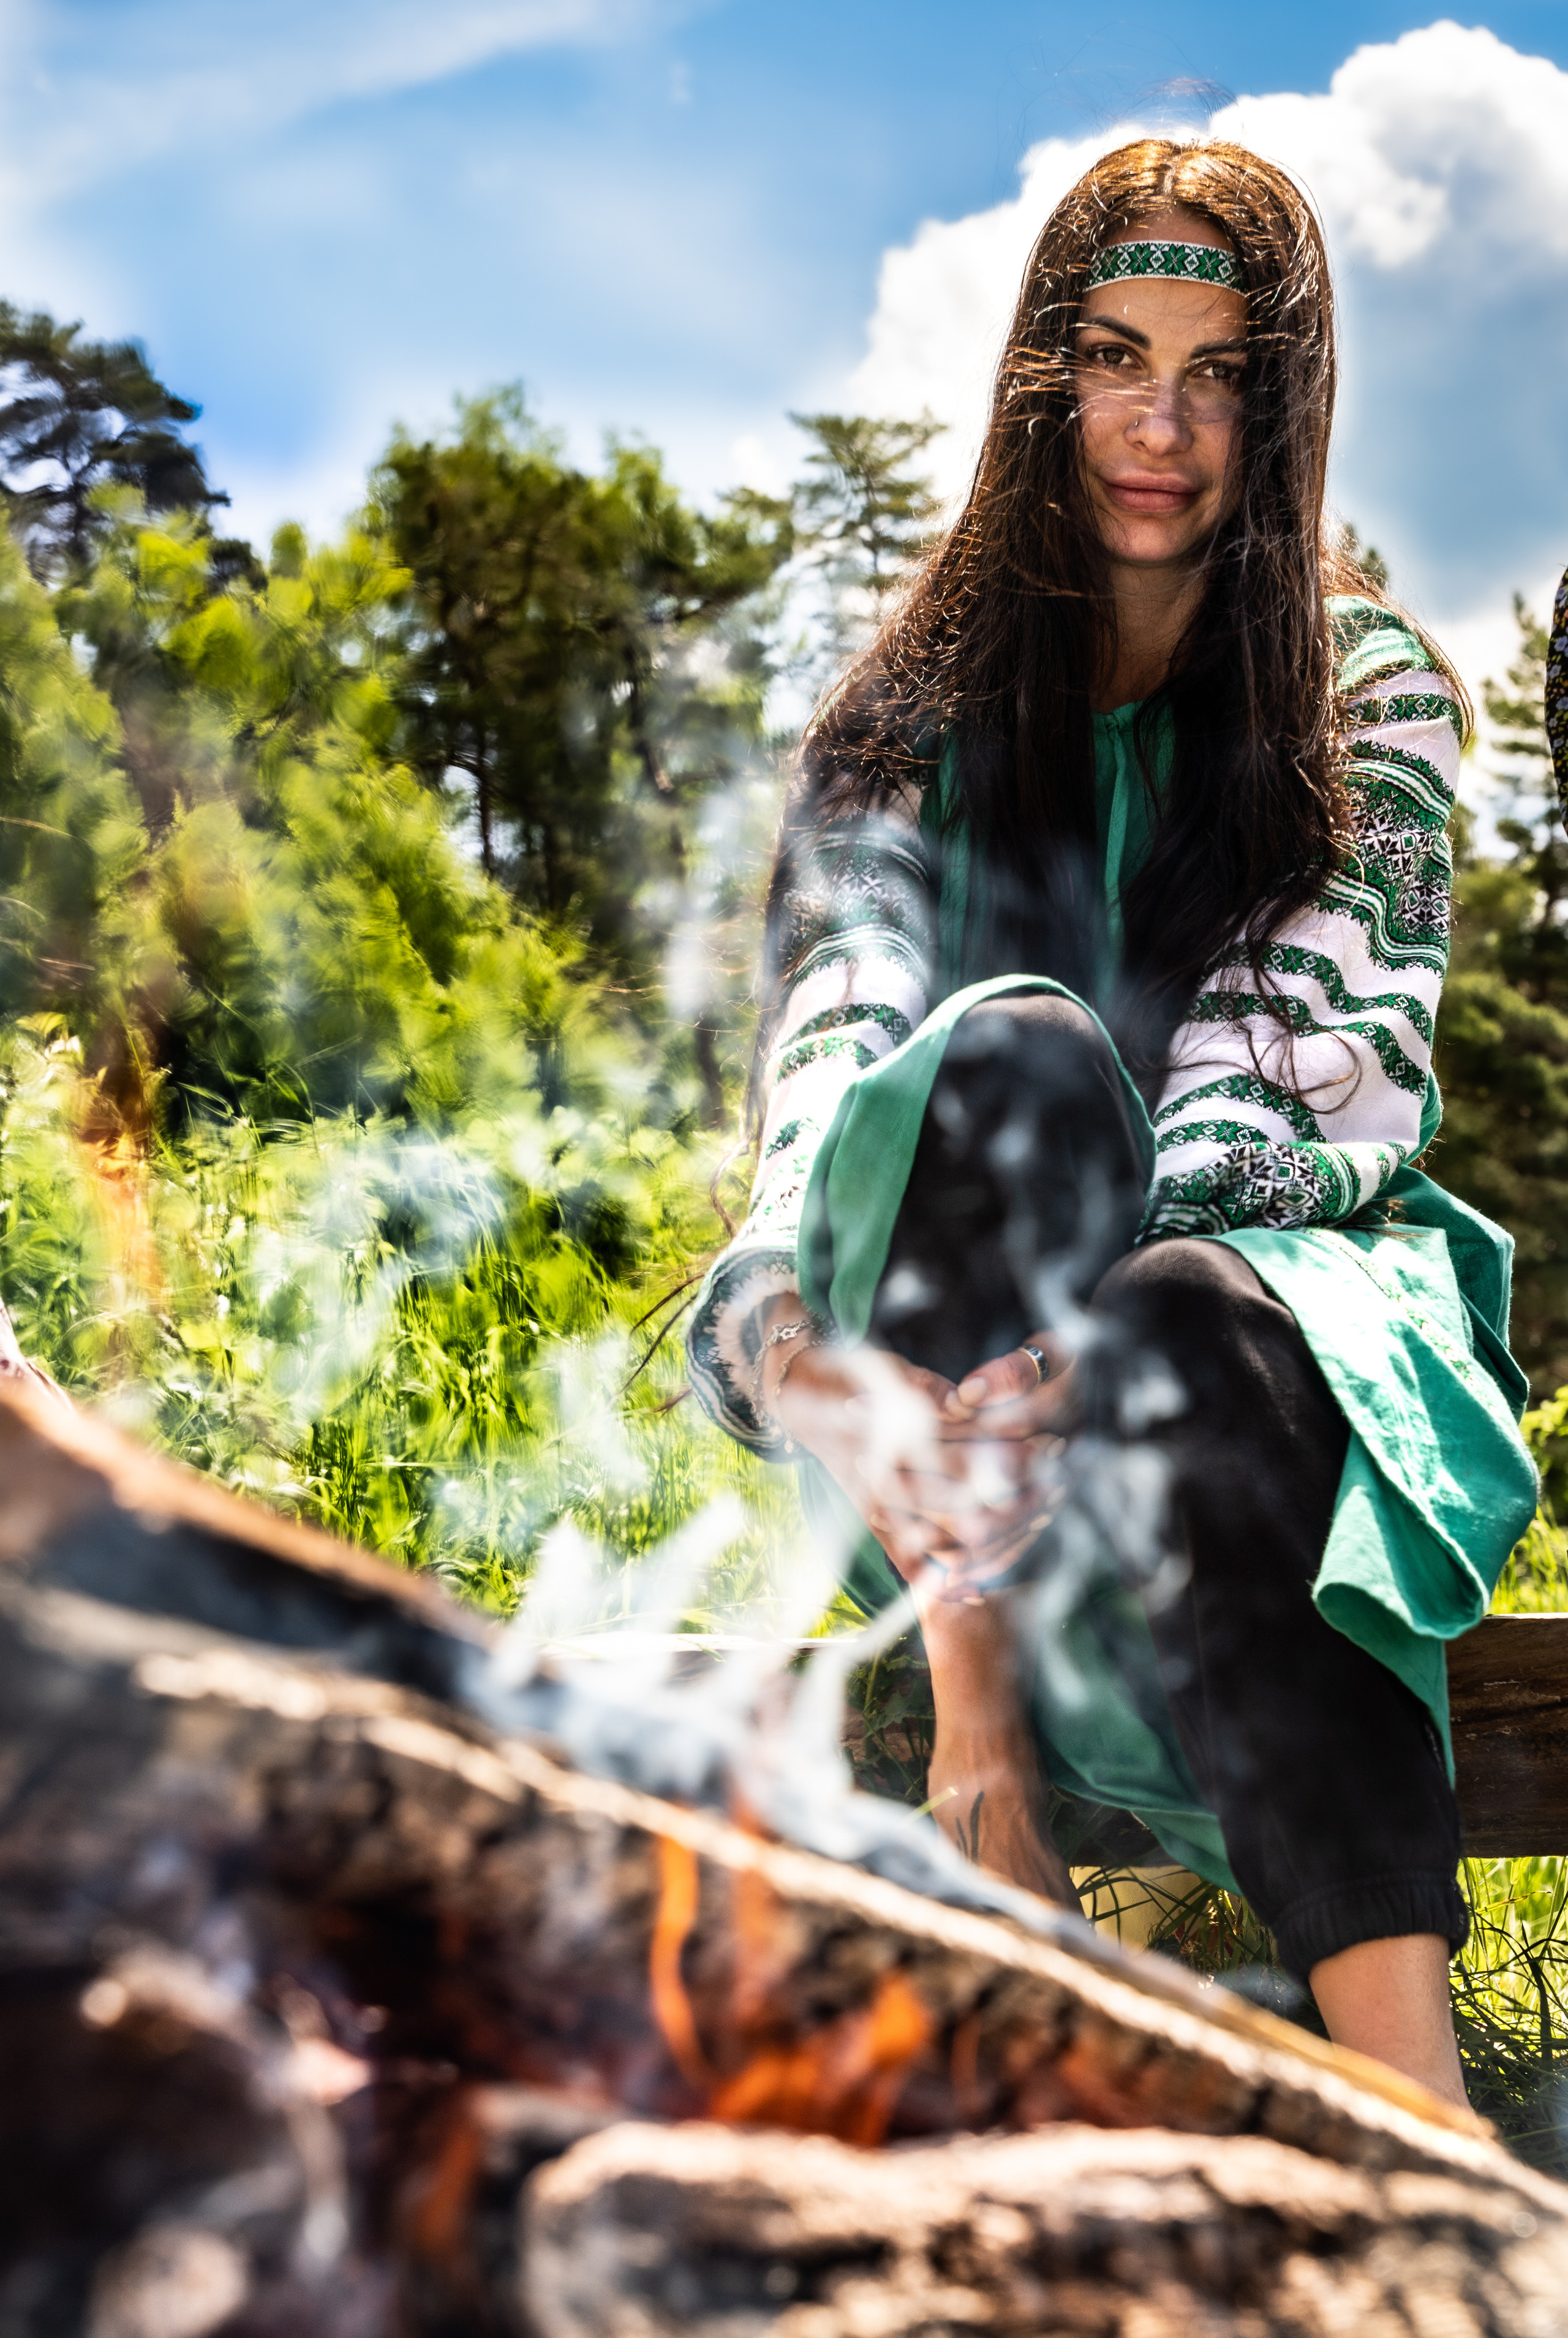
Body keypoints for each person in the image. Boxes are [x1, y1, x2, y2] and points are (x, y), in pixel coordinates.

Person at [687, 137, 1538, 2114]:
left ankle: (1431, 2131)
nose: (1163, 426)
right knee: (1004, 1061)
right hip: (931, 1379)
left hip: (1247, 1333)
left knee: (1187, 1306)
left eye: (1221, 374)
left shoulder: (1372, 696)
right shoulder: (905, 709)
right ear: (1041, 380)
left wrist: (1100, 1351)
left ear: (1284, 406)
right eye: (1116, 359)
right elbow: (835, 1046)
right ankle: (982, 1749)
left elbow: (1292, 1069)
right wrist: (794, 1350)